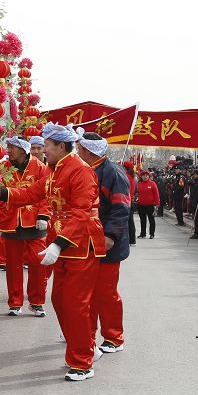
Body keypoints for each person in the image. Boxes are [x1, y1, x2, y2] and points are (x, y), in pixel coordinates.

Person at [0, 123, 106, 382]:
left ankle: (82, 362)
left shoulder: (80, 171)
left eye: (46, 147)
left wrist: (59, 243)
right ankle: (84, 347)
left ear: (61, 146)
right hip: (59, 242)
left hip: (80, 244)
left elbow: (82, 213)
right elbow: (30, 193)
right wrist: (0, 192)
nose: (42, 151)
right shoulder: (53, 170)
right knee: (59, 300)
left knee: (75, 303)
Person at [73, 132, 130, 356]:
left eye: (80, 149)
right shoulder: (84, 169)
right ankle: (86, 333)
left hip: (107, 242)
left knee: (106, 293)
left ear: (88, 151)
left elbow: (121, 208)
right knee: (87, 291)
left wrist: (110, 236)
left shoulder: (112, 172)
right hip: (86, 241)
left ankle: (114, 336)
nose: (77, 152)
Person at [0, 136, 51, 317]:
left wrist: (43, 215)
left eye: (12, 147)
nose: (8, 150)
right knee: (13, 265)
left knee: (38, 263)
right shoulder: (5, 168)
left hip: (35, 222)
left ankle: (37, 302)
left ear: (23, 149)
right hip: (11, 221)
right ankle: (15, 302)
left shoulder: (41, 168)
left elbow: (47, 193)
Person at [135, 170, 159, 239]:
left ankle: (152, 233)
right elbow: (136, 193)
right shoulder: (139, 184)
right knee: (142, 220)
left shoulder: (152, 184)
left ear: (149, 176)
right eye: (143, 176)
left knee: (151, 220)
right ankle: (143, 234)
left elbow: (156, 195)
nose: (145, 177)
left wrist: (157, 204)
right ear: (141, 176)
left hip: (150, 205)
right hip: (141, 205)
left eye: (146, 175)